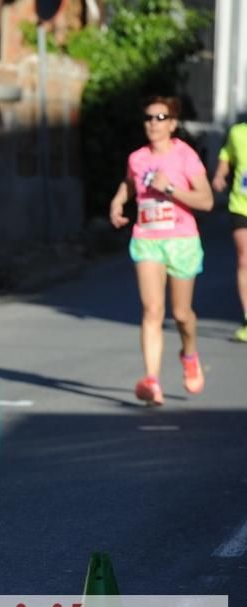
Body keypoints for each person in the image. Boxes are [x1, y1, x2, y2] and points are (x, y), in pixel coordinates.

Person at [109, 95, 213, 406]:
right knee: (152, 311)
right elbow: (130, 184)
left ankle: (189, 353)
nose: (153, 124)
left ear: (173, 123)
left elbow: (206, 201)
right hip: (147, 238)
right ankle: (152, 380)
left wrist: (170, 188)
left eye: (160, 118)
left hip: (181, 239)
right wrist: (118, 201)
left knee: (181, 314)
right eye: (148, 118)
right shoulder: (137, 158)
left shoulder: (186, 157)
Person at [211, 120, 247, 341]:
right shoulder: (237, 132)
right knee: (244, 259)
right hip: (240, 205)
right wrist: (220, 174)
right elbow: (227, 154)